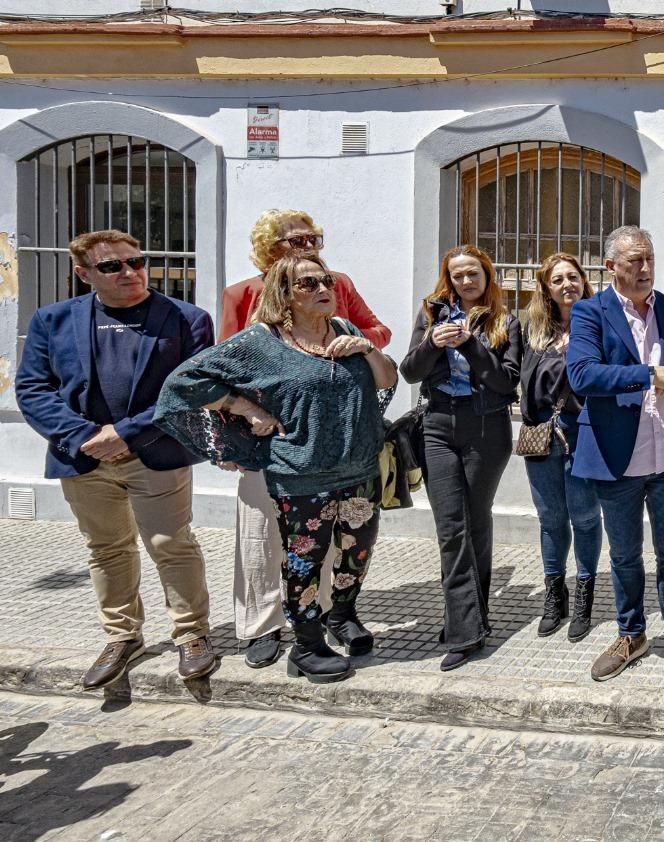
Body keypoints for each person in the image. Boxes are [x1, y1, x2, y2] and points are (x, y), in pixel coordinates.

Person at [155, 254, 399, 684]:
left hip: (358, 465)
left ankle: (341, 615)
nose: (323, 288)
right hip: (299, 471)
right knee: (305, 560)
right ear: (283, 295)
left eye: (326, 280)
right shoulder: (260, 343)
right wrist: (243, 406)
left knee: (356, 552)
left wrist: (368, 348)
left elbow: (385, 380)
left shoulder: (345, 330)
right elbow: (184, 383)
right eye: (308, 284)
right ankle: (306, 645)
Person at [16, 229, 219, 689]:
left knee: (172, 543)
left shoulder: (186, 318)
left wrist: (124, 433)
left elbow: (191, 389)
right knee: (106, 548)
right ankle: (122, 636)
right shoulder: (53, 320)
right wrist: (86, 436)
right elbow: (32, 389)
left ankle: (192, 634)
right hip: (84, 458)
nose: (129, 272)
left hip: (155, 451)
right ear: (83, 273)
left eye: (135, 261)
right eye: (112, 266)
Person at [220, 209, 392, 669]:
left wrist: (356, 343)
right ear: (271, 250)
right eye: (297, 242)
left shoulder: (336, 284)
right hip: (266, 436)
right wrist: (236, 429)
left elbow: (377, 330)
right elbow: (222, 368)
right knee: (263, 536)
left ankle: (331, 617)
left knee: (329, 540)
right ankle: (263, 626)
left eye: (314, 238)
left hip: (333, 438)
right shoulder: (242, 294)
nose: (310, 248)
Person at [567, 226, 664, 704]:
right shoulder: (589, 311)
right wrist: (649, 374)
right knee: (624, 556)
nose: (645, 269)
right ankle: (632, 634)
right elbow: (582, 374)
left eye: (649, 259)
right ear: (611, 267)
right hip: (616, 458)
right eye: (634, 261)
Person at [400, 246, 523, 672]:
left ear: (487, 277)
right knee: (452, 528)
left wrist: (471, 344)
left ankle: (470, 617)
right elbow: (410, 371)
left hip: (486, 430)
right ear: (448, 280)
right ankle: (465, 629)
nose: (466, 282)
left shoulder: (506, 321)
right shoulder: (431, 316)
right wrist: (433, 342)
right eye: (458, 276)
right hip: (437, 426)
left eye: (474, 274)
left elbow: (505, 383)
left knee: (476, 521)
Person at [521, 252, 604, 642]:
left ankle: (586, 592)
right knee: (550, 518)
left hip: (583, 431)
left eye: (573, 277)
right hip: (541, 433)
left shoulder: (599, 324)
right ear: (546, 288)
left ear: (584, 281)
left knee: (585, 517)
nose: (567, 284)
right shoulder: (535, 331)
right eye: (558, 280)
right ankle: (556, 594)